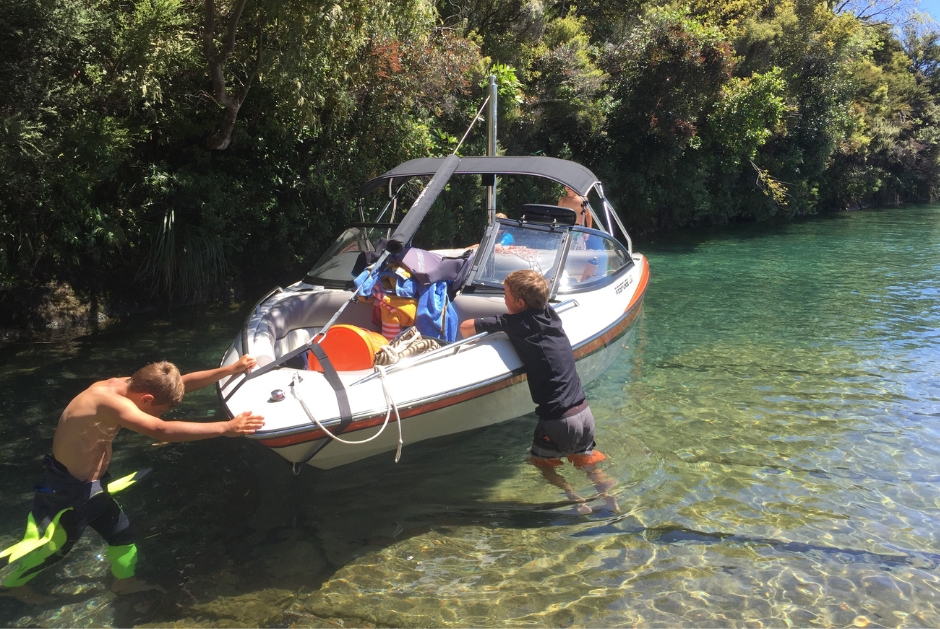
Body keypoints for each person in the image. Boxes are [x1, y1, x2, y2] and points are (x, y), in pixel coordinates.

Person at [0, 356, 264, 603]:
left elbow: (182, 383)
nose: (159, 414)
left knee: (122, 534)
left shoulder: (128, 385)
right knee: (55, 548)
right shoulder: (109, 402)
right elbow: (160, 430)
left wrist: (228, 370)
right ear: (146, 399)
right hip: (67, 490)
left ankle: (124, 583)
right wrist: (225, 428)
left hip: (92, 486)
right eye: (159, 409)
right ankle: (11, 586)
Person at [458, 270, 616, 514]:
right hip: (584, 412)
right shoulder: (550, 314)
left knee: (540, 462)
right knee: (583, 461)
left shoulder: (517, 322)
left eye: (506, 295)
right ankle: (609, 500)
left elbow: (466, 327)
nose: (504, 299)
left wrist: (500, 323)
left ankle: (575, 500)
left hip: (558, 420)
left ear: (520, 303)